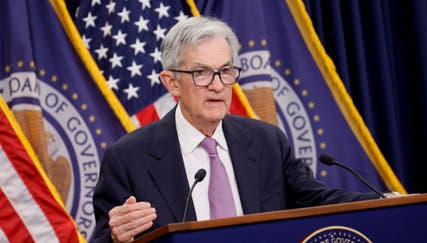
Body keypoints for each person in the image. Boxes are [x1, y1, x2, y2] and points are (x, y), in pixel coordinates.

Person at [92, 16, 381, 243]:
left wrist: (387, 202)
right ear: (172, 82)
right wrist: (117, 238)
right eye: (201, 73)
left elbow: (318, 200)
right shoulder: (128, 159)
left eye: (226, 71)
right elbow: (106, 237)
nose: (217, 85)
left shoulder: (267, 141)